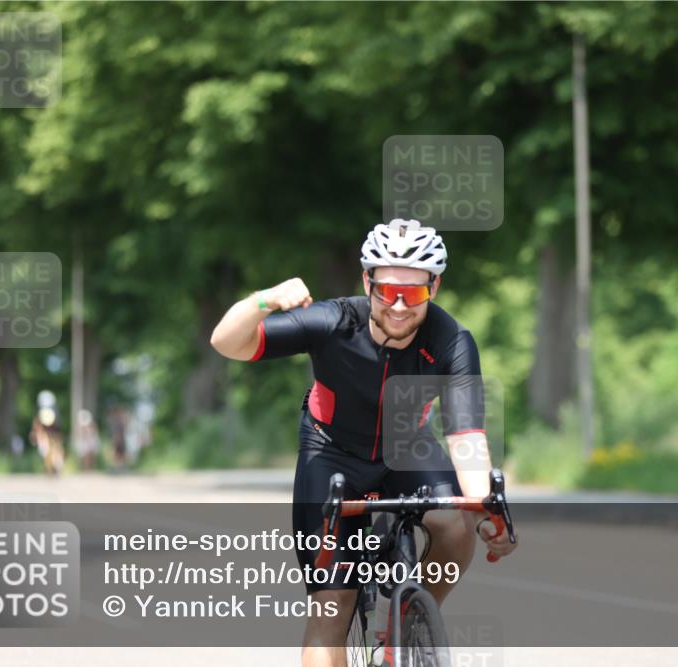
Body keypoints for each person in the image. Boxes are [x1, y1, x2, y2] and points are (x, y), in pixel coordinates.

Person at [211, 218, 518, 667]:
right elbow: (226, 342)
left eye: (412, 293)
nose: (397, 305)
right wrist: (265, 301)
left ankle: (409, 621)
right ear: (366, 281)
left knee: (455, 526)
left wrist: (490, 511)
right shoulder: (332, 321)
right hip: (330, 454)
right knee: (331, 611)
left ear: (435, 287)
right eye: (385, 289)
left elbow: (467, 438)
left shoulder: (452, 341)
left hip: (405, 448)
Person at [30, 390, 65, 475]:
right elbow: (37, 428)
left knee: (55, 452)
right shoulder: (40, 416)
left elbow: (58, 429)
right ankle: (50, 468)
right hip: (45, 437)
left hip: (53, 437)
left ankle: (54, 468)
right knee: (46, 452)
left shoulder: (54, 414)